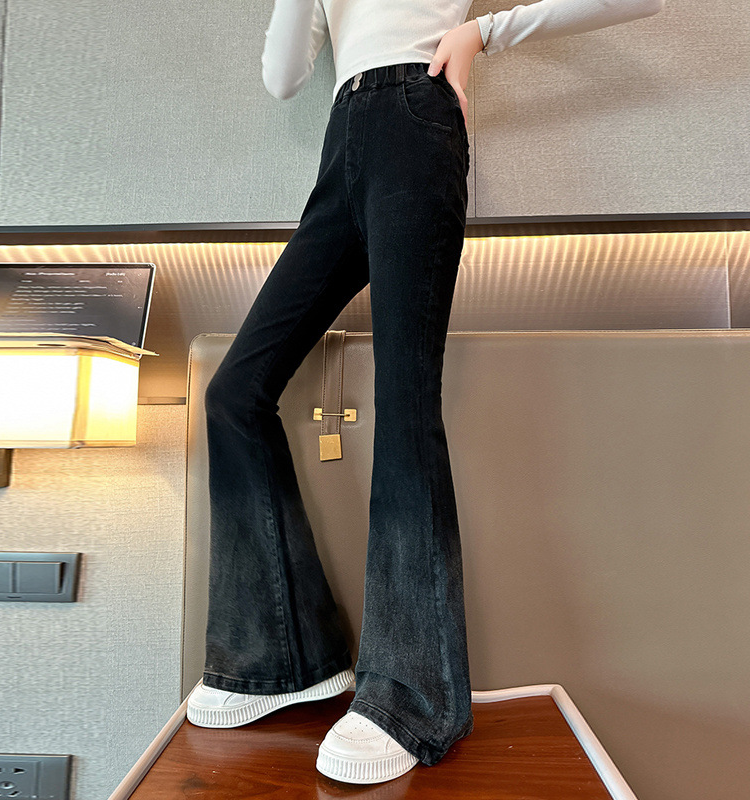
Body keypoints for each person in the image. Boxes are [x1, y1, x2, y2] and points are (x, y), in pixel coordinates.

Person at [187, 0, 665, 785]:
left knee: (404, 407)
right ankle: (283, 658)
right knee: (234, 393)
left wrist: (484, 31)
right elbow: (283, 78)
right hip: (342, 138)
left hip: (416, 116)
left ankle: (411, 698)